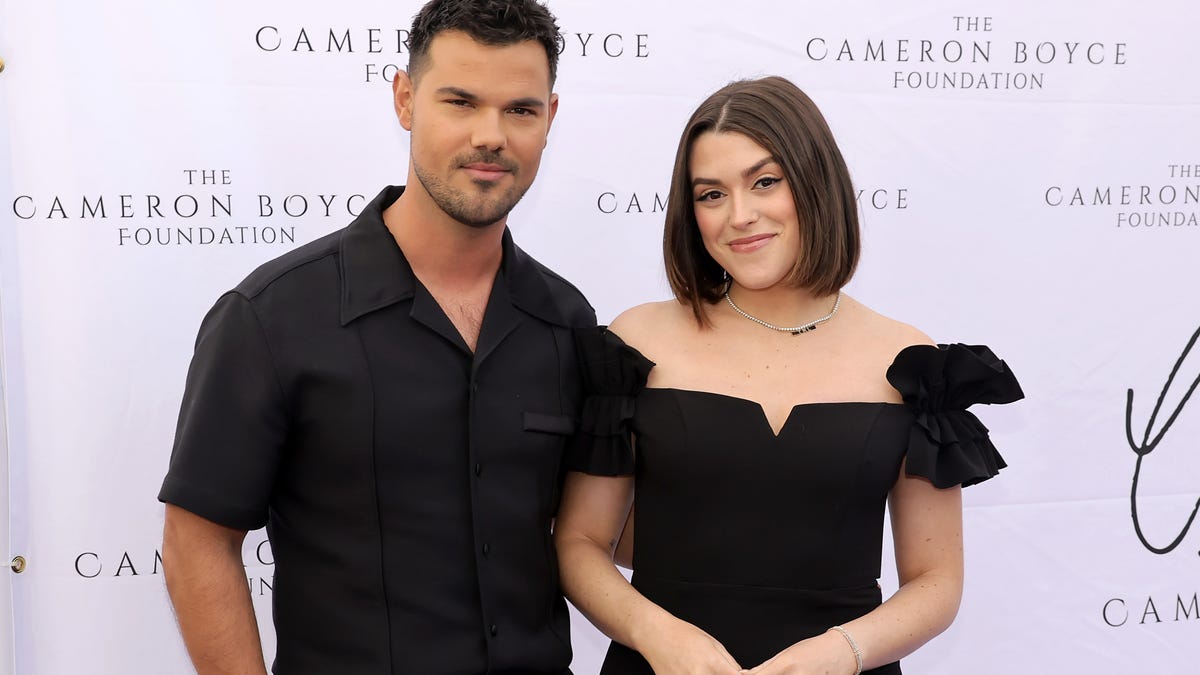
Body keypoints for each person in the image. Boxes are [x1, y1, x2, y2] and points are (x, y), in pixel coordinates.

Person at [158, 1, 594, 673]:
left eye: (520, 110)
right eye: (461, 101)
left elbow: (589, 533)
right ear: (405, 98)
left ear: (551, 119)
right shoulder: (273, 315)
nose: (491, 135)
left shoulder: (567, 320)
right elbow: (197, 538)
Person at [554, 76, 1023, 675]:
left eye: (765, 182)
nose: (740, 216)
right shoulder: (637, 343)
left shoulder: (909, 361)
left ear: (813, 182)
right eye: (710, 194)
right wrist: (660, 637)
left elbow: (935, 582)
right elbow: (579, 544)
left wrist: (839, 654)